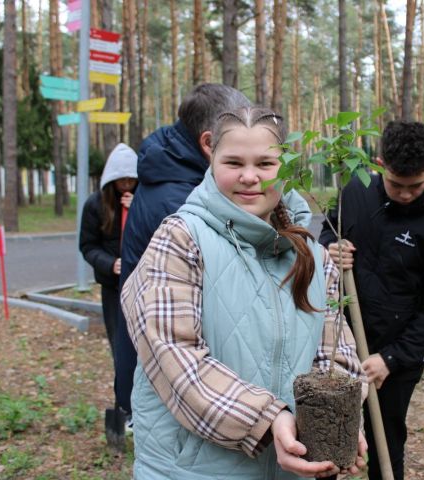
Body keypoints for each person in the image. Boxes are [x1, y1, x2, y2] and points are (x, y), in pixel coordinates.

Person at [120, 107, 366, 479]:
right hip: (195, 471)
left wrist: (341, 420)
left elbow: (337, 354)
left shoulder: (313, 256)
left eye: (266, 163)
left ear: (286, 166)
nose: (249, 177)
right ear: (210, 159)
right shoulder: (180, 240)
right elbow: (174, 357)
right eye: (233, 162)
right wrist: (269, 420)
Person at [319, 120, 424, 480]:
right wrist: (331, 246)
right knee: (325, 437)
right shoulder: (356, 189)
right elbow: (329, 228)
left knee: (385, 440)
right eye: (395, 184)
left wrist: (391, 358)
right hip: (339, 342)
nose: (404, 194)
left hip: (393, 359)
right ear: (381, 162)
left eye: (413, 186)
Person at [114, 84, 252, 423]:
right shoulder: (180, 202)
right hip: (171, 368)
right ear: (208, 142)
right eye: (238, 134)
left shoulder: (176, 170)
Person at [79, 142, 138, 355]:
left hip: (142, 282)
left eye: (132, 180)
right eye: (122, 180)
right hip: (112, 286)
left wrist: (138, 208)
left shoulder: (143, 199)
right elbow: (87, 246)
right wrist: (110, 264)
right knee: (118, 342)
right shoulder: (95, 204)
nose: (127, 184)